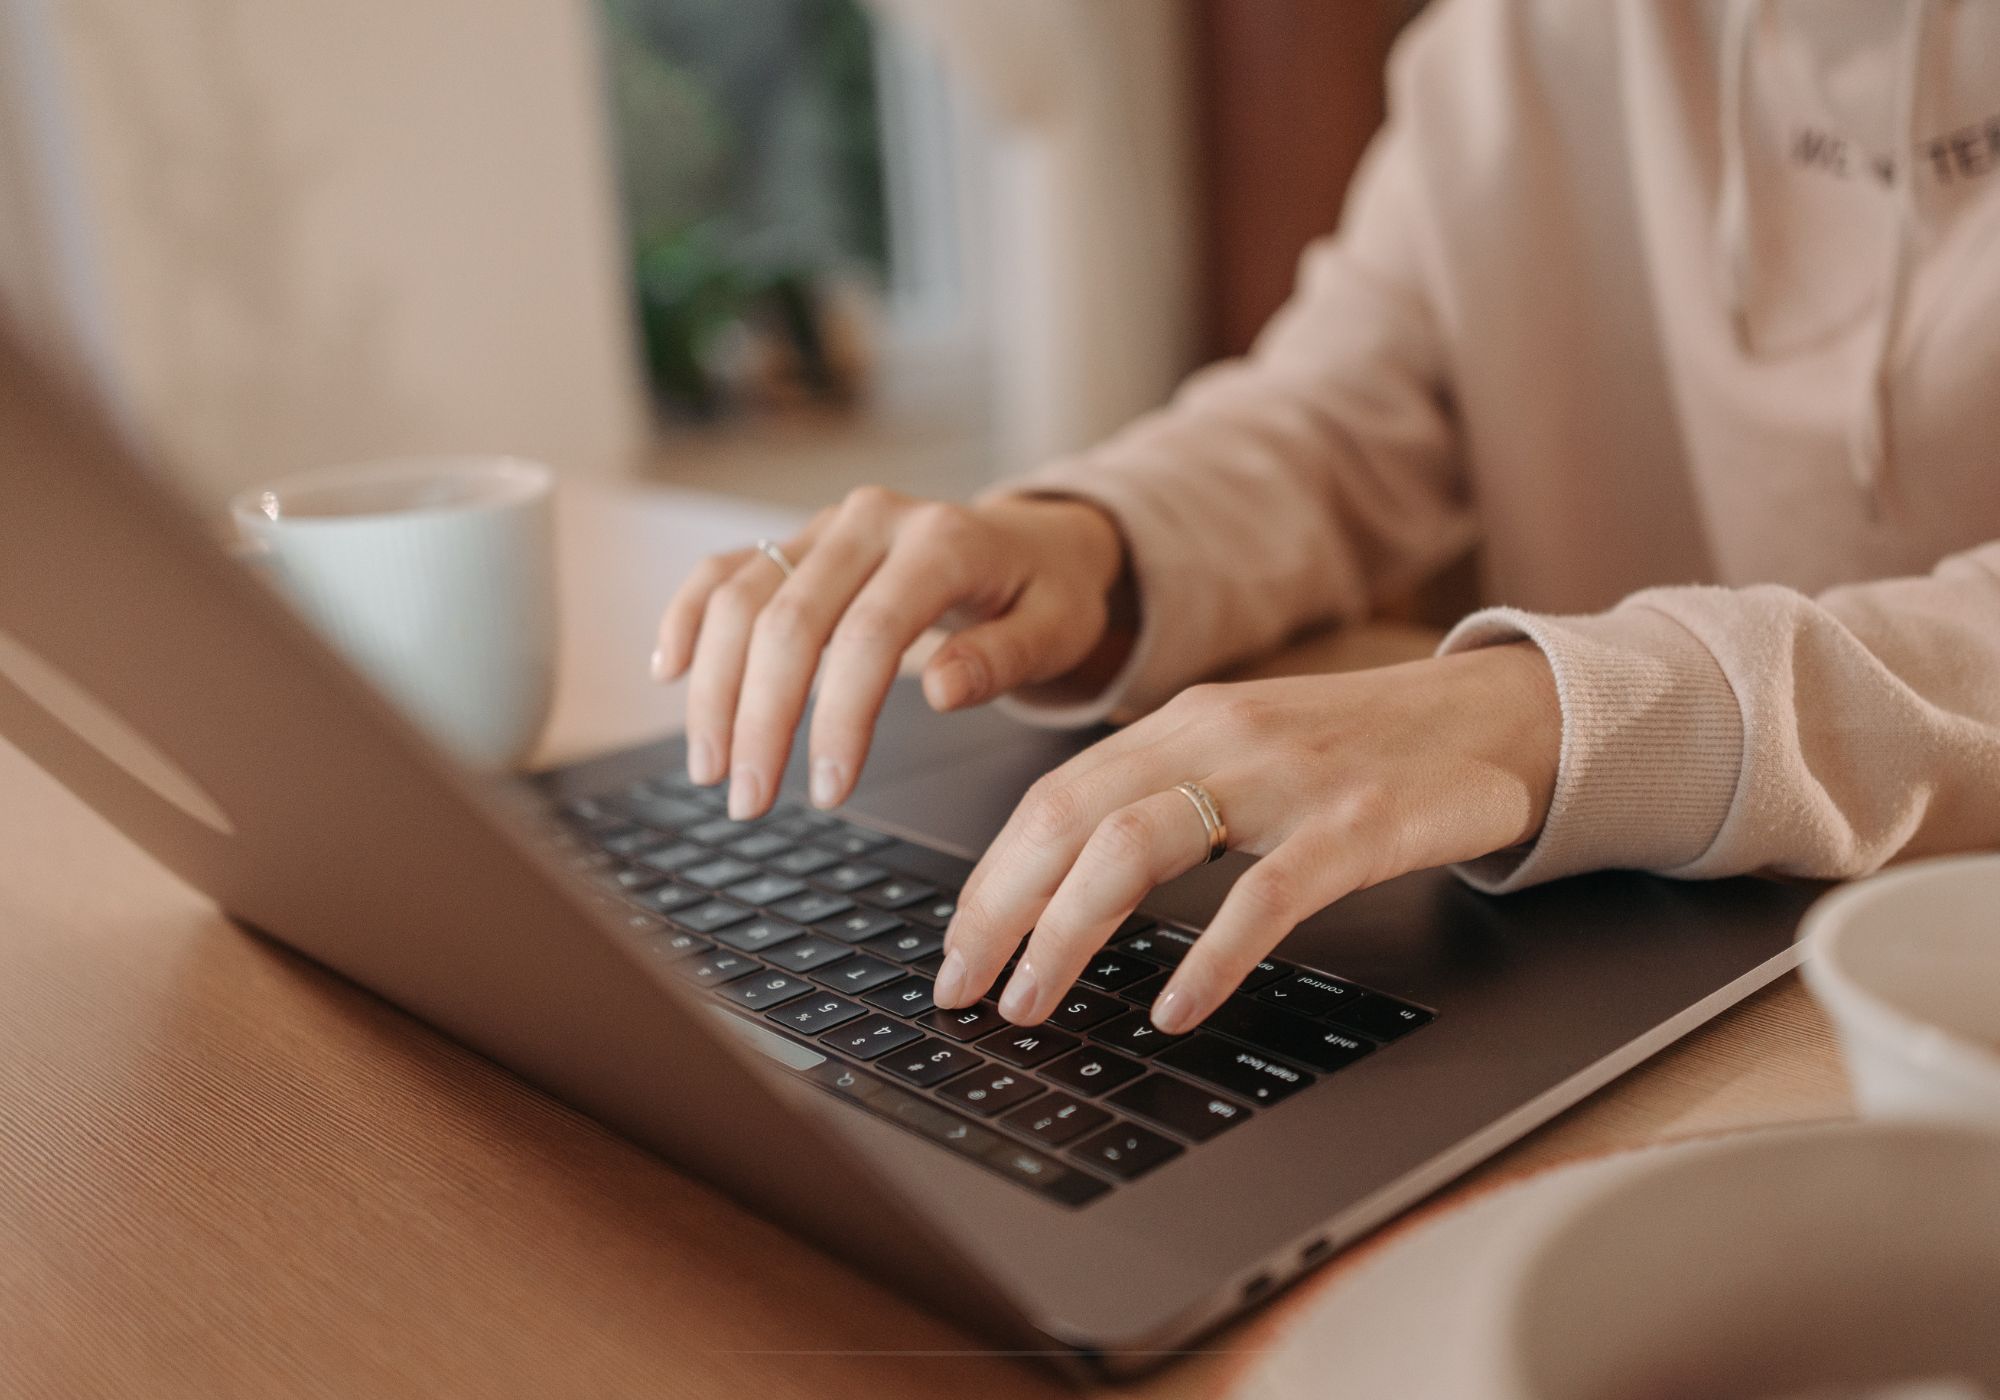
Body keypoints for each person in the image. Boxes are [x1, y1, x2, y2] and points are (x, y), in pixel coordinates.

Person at [652, 0, 2000, 1039]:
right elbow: (1336, 417)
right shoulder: (1506, 49)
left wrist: (1544, 715)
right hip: (1611, 959)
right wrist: (1089, 540)